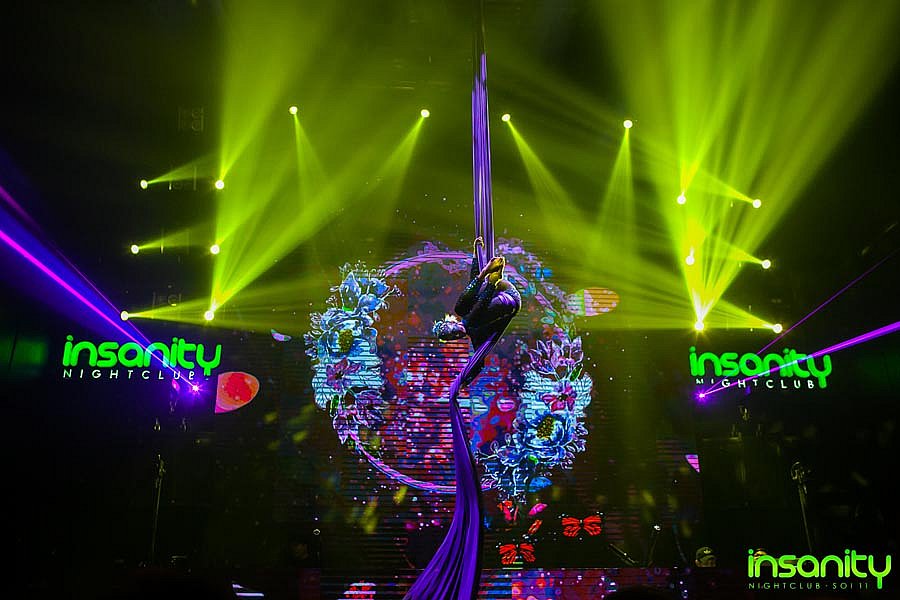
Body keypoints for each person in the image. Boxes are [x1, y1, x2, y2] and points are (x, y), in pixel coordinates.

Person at [406, 237, 520, 600]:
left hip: (503, 298)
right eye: (450, 329)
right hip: (506, 299)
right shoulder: (468, 321)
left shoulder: (470, 324)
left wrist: (479, 256)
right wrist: (486, 272)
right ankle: (494, 275)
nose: (451, 325)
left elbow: (476, 292)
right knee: (471, 301)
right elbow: (478, 296)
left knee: (471, 300)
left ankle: (492, 273)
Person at [433, 236, 521, 386]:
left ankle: (487, 276)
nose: (457, 334)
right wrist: (464, 382)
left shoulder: (464, 312)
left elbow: (471, 287)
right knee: (470, 321)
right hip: (510, 300)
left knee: (461, 309)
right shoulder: (475, 336)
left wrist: (476, 255)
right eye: (454, 337)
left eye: (453, 331)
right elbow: (478, 363)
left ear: (451, 322)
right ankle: (490, 278)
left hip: (500, 289)